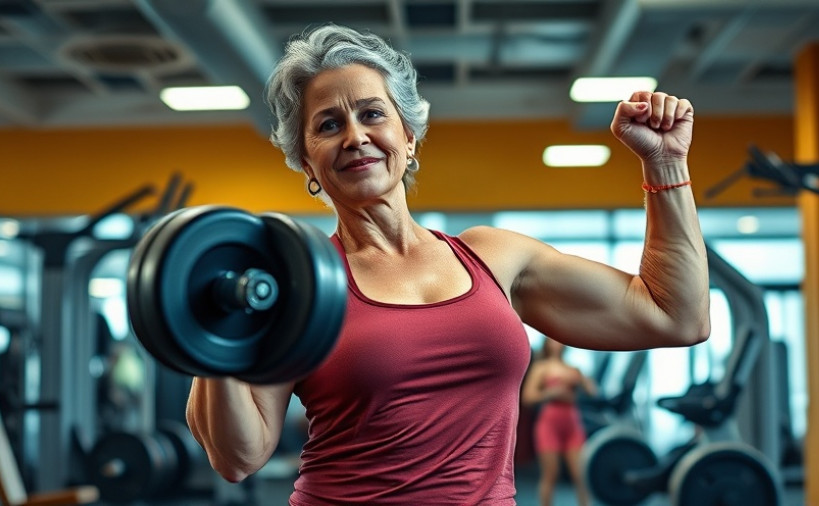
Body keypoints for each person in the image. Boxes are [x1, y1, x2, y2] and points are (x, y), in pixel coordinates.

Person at [185, 23, 711, 505]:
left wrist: (665, 164)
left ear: (408, 136)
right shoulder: (300, 286)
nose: (355, 136)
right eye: (328, 124)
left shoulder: (493, 258)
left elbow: (675, 316)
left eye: (372, 114)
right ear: (307, 162)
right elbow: (238, 457)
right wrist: (210, 329)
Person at [521, 337, 597, 506]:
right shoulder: (541, 368)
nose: (558, 343)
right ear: (547, 343)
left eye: (560, 340)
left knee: (580, 475)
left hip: (572, 424)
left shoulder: (573, 369)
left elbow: (593, 392)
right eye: (553, 340)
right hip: (549, 425)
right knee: (551, 474)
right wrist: (551, 393)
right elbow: (528, 398)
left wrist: (582, 380)